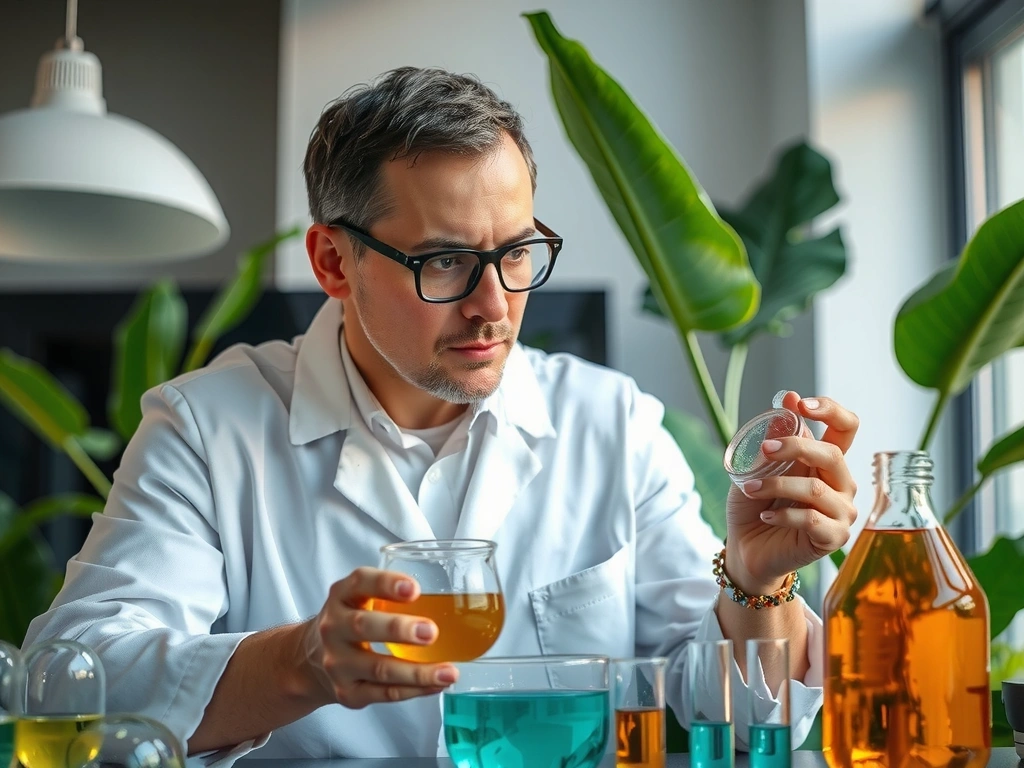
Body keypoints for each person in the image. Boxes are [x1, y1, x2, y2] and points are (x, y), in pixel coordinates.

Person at [23, 66, 859, 762]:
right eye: (446, 260)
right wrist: (302, 661)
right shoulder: (208, 430)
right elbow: (72, 686)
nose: (494, 305)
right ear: (333, 261)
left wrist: (758, 582)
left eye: (518, 252)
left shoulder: (613, 425)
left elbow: (750, 721)